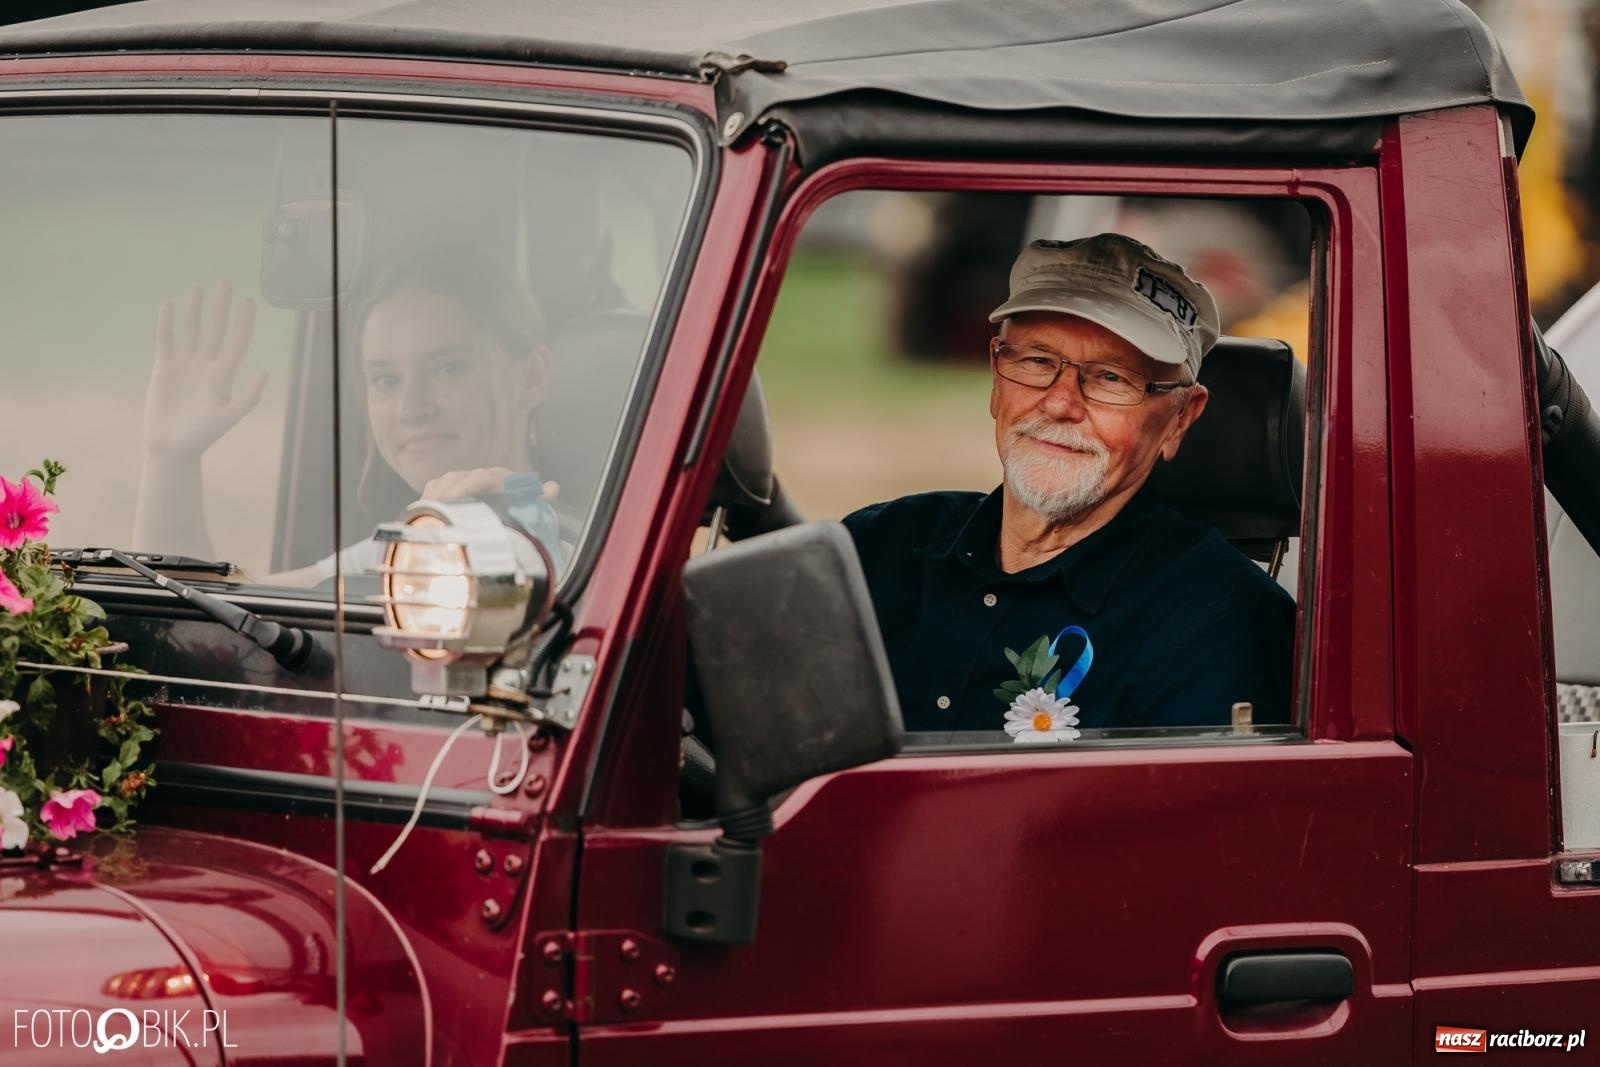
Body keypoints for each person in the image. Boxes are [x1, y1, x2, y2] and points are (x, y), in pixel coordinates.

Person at [843, 233, 1294, 735]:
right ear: (996, 380)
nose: (1060, 403)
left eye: (1111, 378)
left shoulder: (1224, 624)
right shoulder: (875, 548)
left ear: (1180, 419)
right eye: (1036, 361)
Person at [130, 253, 561, 585]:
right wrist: (172, 458)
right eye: (386, 380)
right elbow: (211, 615)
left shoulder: (567, 542)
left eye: (447, 368)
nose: (413, 407)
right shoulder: (399, 545)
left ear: (532, 378)